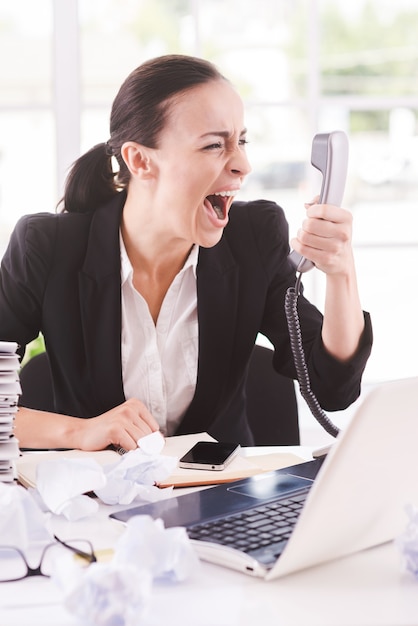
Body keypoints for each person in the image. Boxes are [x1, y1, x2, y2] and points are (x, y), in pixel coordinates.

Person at [0, 54, 372, 451]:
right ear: (141, 161)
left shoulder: (253, 237)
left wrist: (341, 271)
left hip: (223, 498)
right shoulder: (47, 246)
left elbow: (333, 389)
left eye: (241, 141)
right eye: (215, 145)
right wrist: (78, 431)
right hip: (95, 500)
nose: (243, 165)